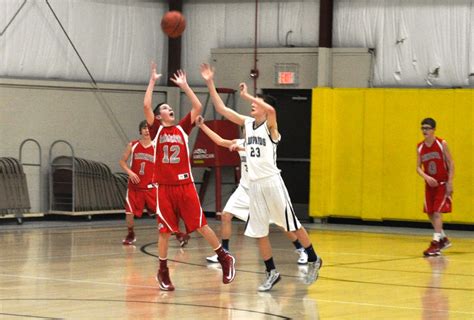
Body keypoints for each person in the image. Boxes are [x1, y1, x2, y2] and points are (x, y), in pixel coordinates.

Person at [201, 63, 322, 291]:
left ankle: (314, 258)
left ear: (265, 109)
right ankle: (271, 272)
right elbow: (222, 110)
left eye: (256, 104)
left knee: (292, 225)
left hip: (272, 183)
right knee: (259, 232)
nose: (252, 106)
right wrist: (209, 82)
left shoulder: (271, 127)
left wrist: (248, 95)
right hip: (254, 186)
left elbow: (273, 111)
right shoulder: (247, 124)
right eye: (252, 103)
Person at [144, 62, 236, 291]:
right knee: (164, 232)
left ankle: (224, 258)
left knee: (201, 226)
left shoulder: (182, 128)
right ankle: (163, 271)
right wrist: (153, 81)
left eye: (169, 107)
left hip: (185, 185)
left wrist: (185, 85)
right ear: (158, 116)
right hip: (164, 188)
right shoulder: (156, 131)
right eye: (165, 108)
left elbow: (196, 106)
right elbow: (146, 104)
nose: (169, 109)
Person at [194, 115, 308, 265]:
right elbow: (220, 141)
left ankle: (301, 249)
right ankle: (225, 253)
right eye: (245, 130)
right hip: (244, 189)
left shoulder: (263, 143)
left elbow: (251, 148)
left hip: (261, 189)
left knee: (281, 223)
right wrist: (202, 126)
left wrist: (241, 147)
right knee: (226, 215)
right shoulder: (240, 142)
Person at [119, 120, 190, 247]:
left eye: (148, 128)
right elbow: (122, 161)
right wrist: (130, 172)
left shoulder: (157, 146)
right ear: (140, 131)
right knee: (129, 213)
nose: (146, 130)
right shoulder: (133, 145)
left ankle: (179, 234)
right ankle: (131, 234)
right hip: (135, 187)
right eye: (144, 128)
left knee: (164, 212)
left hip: (152, 187)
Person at [417, 118, 454, 256]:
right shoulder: (420, 147)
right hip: (430, 184)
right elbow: (418, 167)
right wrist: (426, 177)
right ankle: (443, 239)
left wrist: (450, 182)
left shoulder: (441, 143)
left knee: (438, 212)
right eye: (422, 128)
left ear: (433, 129)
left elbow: (451, 163)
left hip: (442, 184)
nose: (424, 130)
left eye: (427, 128)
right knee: (430, 212)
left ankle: (435, 243)